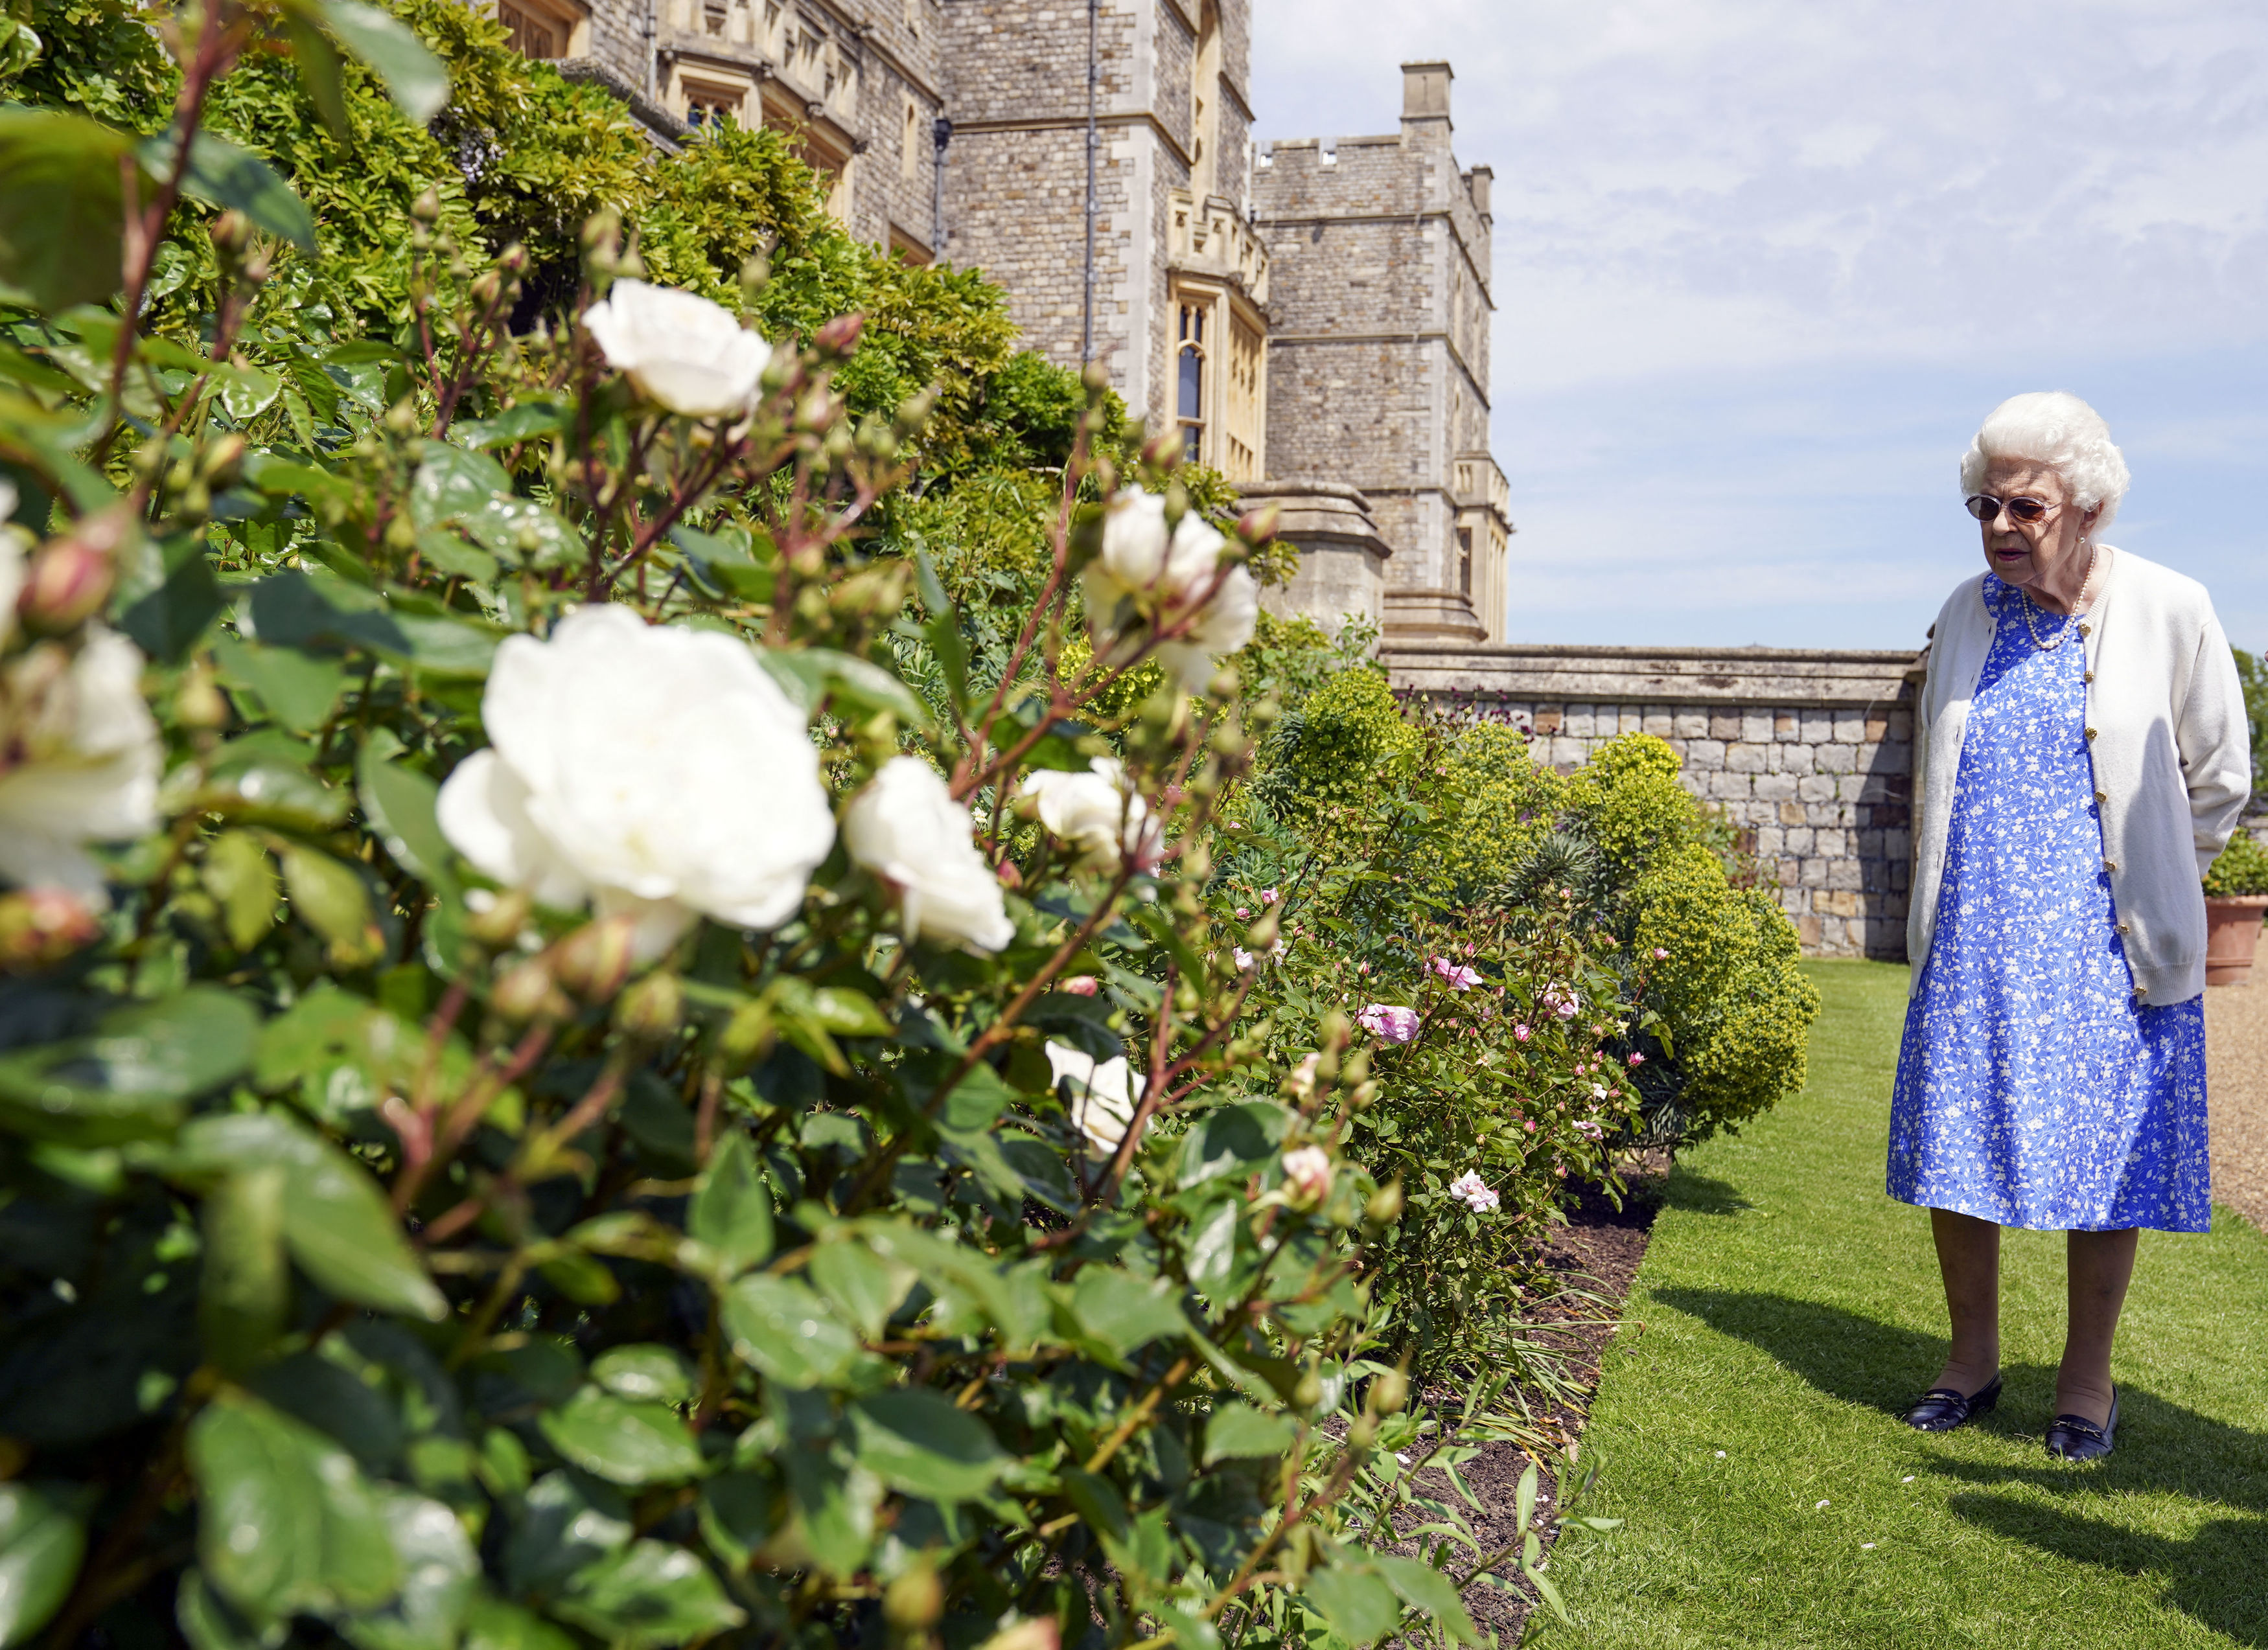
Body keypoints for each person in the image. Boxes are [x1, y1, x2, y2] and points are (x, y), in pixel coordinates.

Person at [1887, 391, 2249, 1461]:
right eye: (1984, 505)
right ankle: (1970, 1361)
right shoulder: (1962, 614)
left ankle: (2085, 1384)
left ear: (2085, 505)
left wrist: (2159, 887)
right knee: (1960, 1144)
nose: (2001, 527)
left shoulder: (2171, 606)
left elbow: (2220, 777)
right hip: (1976, 937)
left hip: (2108, 947)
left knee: (2108, 1163)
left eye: (2025, 507)